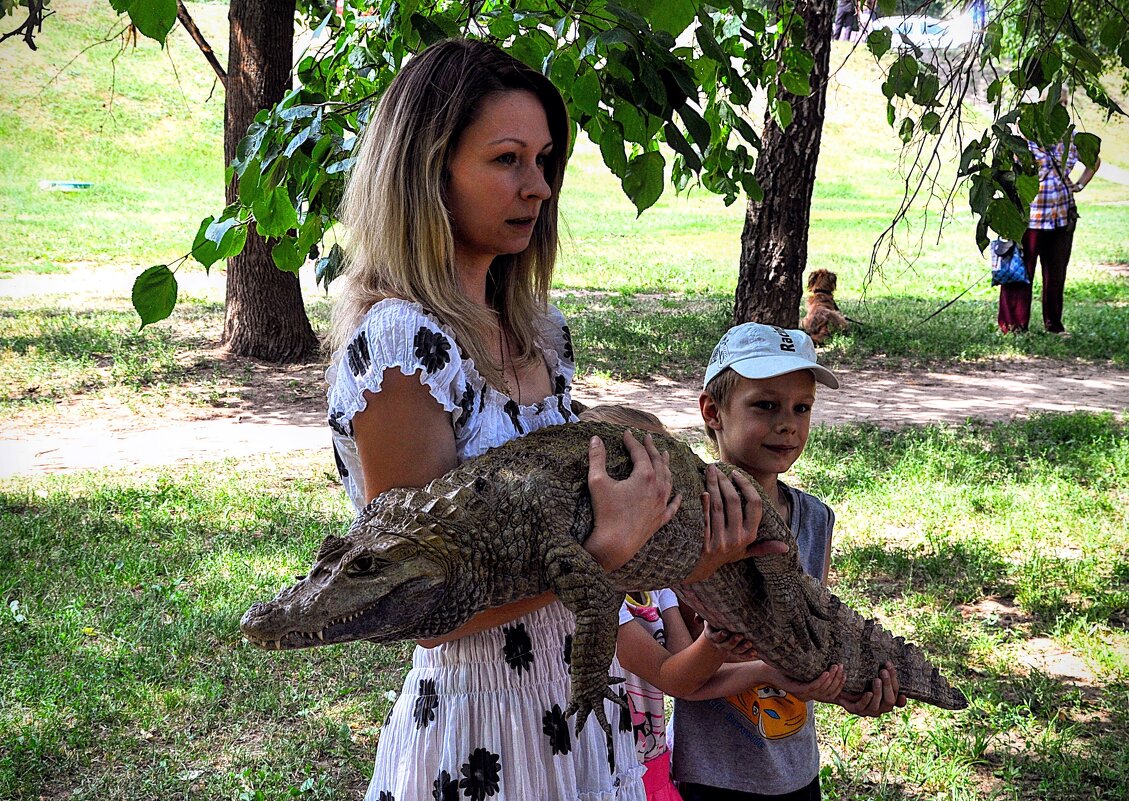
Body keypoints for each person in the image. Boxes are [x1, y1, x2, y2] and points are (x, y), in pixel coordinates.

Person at [325, 40, 756, 801]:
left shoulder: (536, 330)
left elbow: (579, 543)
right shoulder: (400, 342)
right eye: (507, 160)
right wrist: (605, 550)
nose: (539, 186)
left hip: (582, 710)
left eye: (545, 159)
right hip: (485, 736)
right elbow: (424, 609)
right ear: (429, 171)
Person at [670, 323, 908, 801]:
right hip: (710, 774)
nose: (788, 424)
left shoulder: (816, 518)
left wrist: (850, 689)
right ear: (712, 411)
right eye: (766, 405)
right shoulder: (681, 517)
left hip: (797, 769)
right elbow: (682, 665)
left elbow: (810, 634)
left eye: (802, 408)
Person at [579, 404, 843, 801]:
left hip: (648, 765)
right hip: (595, 769)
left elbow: (687, 675)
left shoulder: (660, 580)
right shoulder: (595, 592)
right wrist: (725, 644)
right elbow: (671, 676)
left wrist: (745, 658)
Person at [999, 87, 1101, 335]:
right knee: (1018, 271)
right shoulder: (1025, 136)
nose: (1060, 108)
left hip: (1061, 217)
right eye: (1055, 103)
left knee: (1056, 276)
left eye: (1064, 103)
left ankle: (1054, 325)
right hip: (1029, 217)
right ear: (1041, 106)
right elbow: (1005, 169)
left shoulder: (1071, 136)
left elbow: (1094, 160)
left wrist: (1079, 184)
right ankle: (1013, 325)